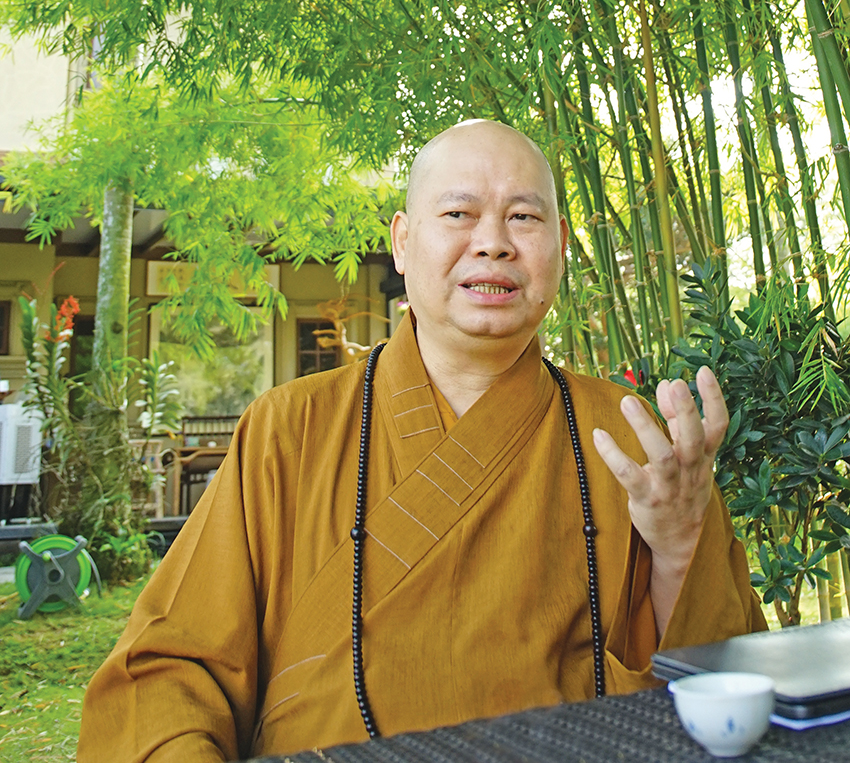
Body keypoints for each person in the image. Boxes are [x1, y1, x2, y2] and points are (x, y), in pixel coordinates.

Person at [77, 120, 765, 762]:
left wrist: (680, 545)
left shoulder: (626, 437)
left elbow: (722, 684)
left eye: (523, 218)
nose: (493, 243)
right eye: (459, 214)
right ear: (403, 242)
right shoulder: (291, 428)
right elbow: (168, 670)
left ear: (559, 243)